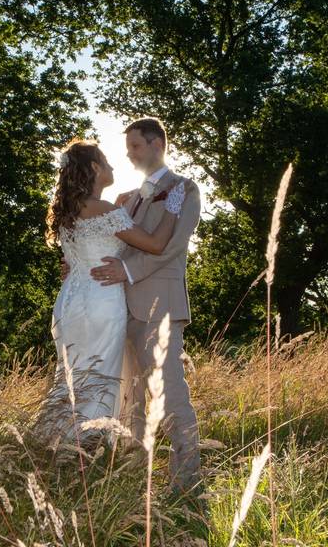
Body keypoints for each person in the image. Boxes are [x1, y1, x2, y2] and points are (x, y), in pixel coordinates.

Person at [34, 138, 186, 450]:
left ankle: (52, 443)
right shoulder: (104, 210)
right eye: (106, 161)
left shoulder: (69, 210)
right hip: (101, 301)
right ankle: (83, 448)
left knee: (72, 375)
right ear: (94, 168)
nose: (114, 165)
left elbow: (76, 259)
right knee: (98, 376)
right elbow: (155, 245)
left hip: (70, 302)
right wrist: (172, 208)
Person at [89, 117, 204, 499]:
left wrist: (124, 269)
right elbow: (122, 243)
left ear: (157, 144)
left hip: (160, 306)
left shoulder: (183, 189)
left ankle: (187, 481)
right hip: (123, 308)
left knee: (170, 393)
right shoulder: (131, 197)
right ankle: (136, 478)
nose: (129, 154)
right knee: (133, 399)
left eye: (135, 146)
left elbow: (172, 246)